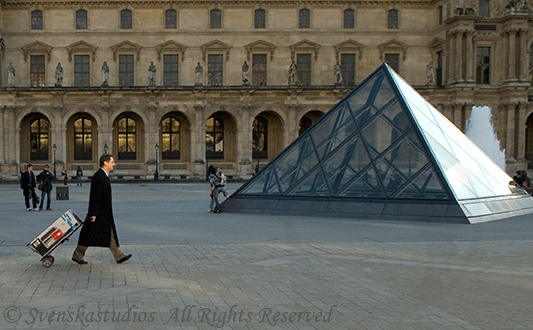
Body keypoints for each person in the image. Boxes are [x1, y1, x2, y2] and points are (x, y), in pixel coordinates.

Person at [72, 154, 132, 265]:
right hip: (98, 213)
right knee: (88, 234)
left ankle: (118, 256)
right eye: (112, 162)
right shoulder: (98, 177)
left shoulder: (104, 176)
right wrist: (93, 213)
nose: (114, 164)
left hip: (104, 212)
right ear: (105, 163)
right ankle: (77, 255)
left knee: (109, 234)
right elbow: (95, 196)